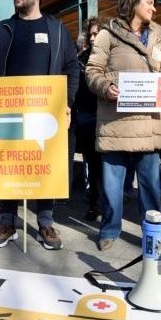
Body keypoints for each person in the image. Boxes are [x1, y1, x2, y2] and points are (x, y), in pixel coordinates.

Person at [0, 0, 79, 250]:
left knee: (43, 165)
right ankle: (8, 222)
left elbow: (72, 69)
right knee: (9, 165)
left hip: (44, 113)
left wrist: (66, 103)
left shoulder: (57, 31)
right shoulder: (2, 29)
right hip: (7, 113)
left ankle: (45, 223)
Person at [86, 0, 161, 251]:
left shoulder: (159, 37)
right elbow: (92, 71)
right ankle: (110, 229)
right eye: (148, 2)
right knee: (113, 184)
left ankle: (153, 232)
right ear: (133, 2)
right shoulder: (108, 35)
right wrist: (106, 87)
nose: (153, 7)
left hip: (150, 124)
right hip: (117, 123)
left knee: (150, 184)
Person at [74, 17, 103, 221]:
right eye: (91, 34)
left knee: (108, 167)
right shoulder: (80, 59)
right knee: (92, 166)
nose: (93, 38)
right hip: (87, 118)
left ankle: (108, 204)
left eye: (97, 33)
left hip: (108, 118)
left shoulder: (112, 56)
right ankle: (95, 205)